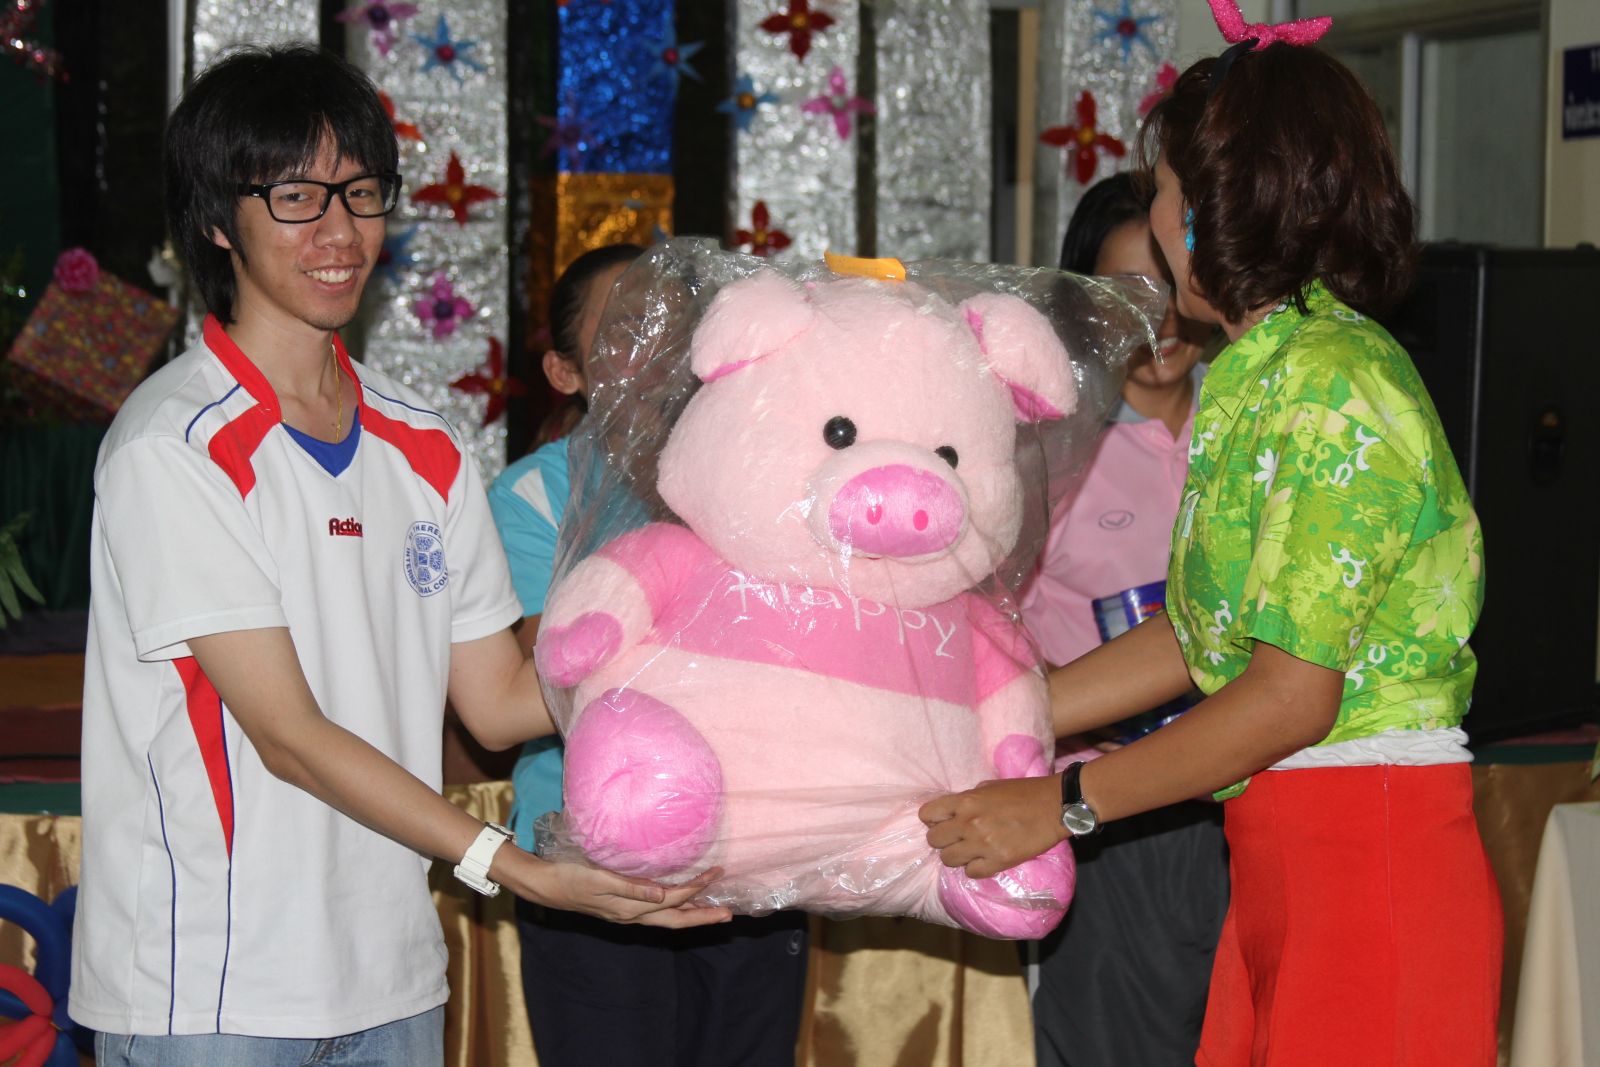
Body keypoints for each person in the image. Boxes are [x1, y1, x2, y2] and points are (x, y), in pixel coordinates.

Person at [70, 45, 725, 1067]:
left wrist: (703, 621)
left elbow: (500, 700)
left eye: (361, 192)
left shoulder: (424, 438)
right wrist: (518, 866)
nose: (339, 231)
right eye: (295, 197)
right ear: (217, 221)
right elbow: (287, 734)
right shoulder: (177, 443)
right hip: (212, 984)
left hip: (390, 973)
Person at [922, 41, 1501, 1066]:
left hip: (1364, 852)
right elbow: (1197, 639)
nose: (1154, 216)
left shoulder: (1334, 380)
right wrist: (1001, 714)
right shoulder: (1263, 369)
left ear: (1213, 207)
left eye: (1162, 188)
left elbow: (1289, 697)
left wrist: (1061, 804)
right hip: (1278, 854)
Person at [487, 246, 809, 1067]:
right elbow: (552, 671)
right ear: (565, 372)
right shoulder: (533, 495)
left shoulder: (765, 477)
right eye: (632, 327)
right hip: (591, 858)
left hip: (750, 847)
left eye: (681, 321)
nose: (664, 344)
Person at [1021, 173, 1228, 1067]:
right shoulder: (1045, 448)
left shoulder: (1252, 422)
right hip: (1106, 813)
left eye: (1175, 283)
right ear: (1081, 305)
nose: (1160, 318)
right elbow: (984, 630)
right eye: (1127, 292)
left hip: (1250, 796)